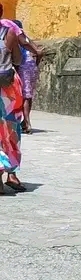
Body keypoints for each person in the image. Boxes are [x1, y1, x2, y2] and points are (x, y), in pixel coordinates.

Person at [0, 22, 25, 194]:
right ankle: (12, 173)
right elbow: (17, 60)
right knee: (10, 131)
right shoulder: (9, 32)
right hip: (7, 88)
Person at [12, 20, 41, 134]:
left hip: (22, 68)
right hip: (31, 67)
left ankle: (26, 123)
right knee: (28, 96)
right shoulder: (26, 38)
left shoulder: (16, 38)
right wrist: (36, 64)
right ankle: (25, 121)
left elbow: (16, 56)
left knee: (23, 96)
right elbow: (39, 52)